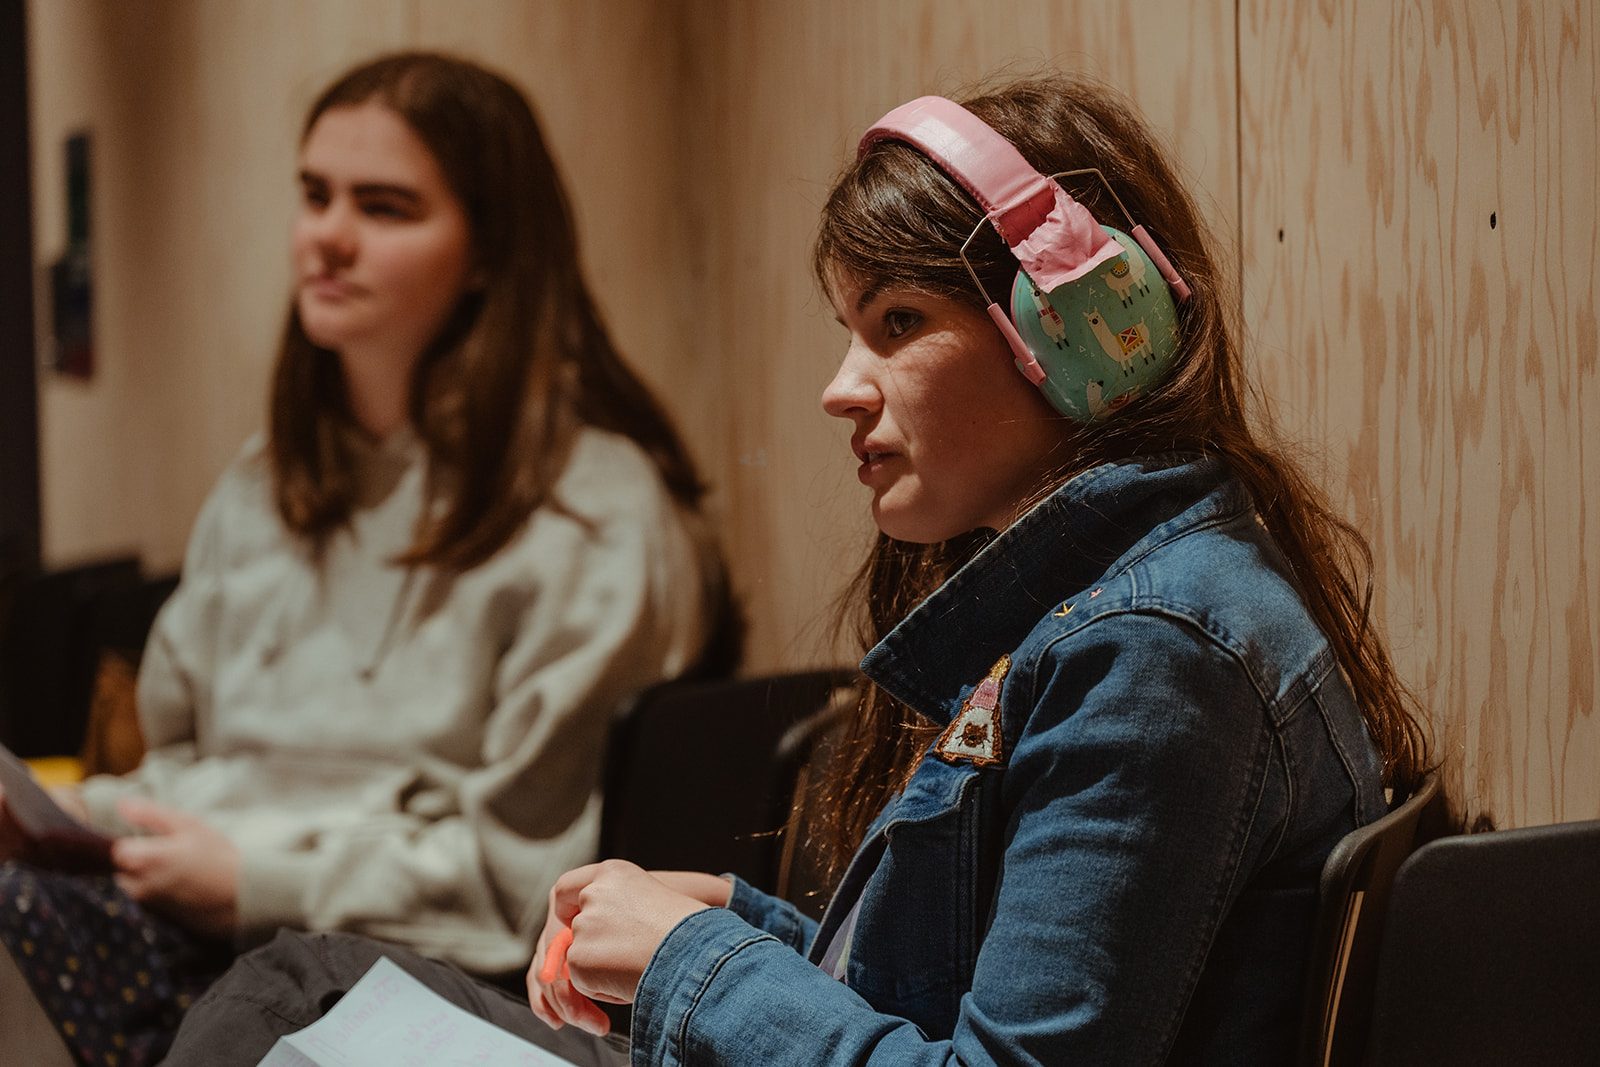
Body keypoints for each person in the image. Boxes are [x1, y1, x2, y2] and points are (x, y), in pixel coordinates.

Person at [160, 73, 1429, 1066]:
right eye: (848, 330)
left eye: (898, 324)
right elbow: (946, 998)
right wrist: (739, 922)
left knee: (293, 994)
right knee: (306, 981)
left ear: (1087, 336)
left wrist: (689, 958)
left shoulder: (1153, 655)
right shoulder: (1145, 614)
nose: (840, 388)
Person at [0, 51, 733, 1067]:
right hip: (191, 925)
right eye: (315, 196)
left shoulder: (593, 511)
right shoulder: (265, 482)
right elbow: (197, 767)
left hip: (410, 974)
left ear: (488, 253)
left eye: (384, 207)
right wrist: (79, 813)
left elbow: (520, 877)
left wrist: (253, 881)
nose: (329, 236)